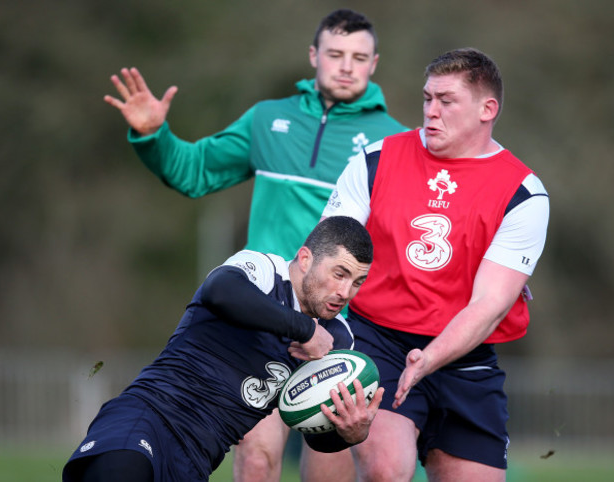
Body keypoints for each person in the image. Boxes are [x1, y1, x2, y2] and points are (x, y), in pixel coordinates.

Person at [103, 9, 406, 481]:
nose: (346, 66)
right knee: (257, 458)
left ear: (375, 63)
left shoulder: (394, 142)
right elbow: (195, 170)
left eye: (359, 57)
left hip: (338, 330)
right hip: (260, 314)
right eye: (335, 54)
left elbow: (425, 229)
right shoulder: (269, 120)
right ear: (313, 56)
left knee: (330, 462)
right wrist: (153, 136)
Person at [321, 48, 550, 481]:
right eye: (427, 98)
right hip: (378, 344)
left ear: (487, 109)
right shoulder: (376, 159)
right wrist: (312, 327)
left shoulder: (523, 192)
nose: (431, 111)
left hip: (466, 356)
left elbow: (490, 304)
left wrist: (428, 359)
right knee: (387, 470)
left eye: (446, 101)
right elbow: (331, 257)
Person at [62, 216, 385, 482]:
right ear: (305, 259)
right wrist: (302, 329)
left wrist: (349, 432)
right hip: (148, 418)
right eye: (339, 274)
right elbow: (221, 291)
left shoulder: (339, 341)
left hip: (197, 460)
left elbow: (313, 428)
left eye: (357, 282)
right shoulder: (261, 270)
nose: (345, 292)